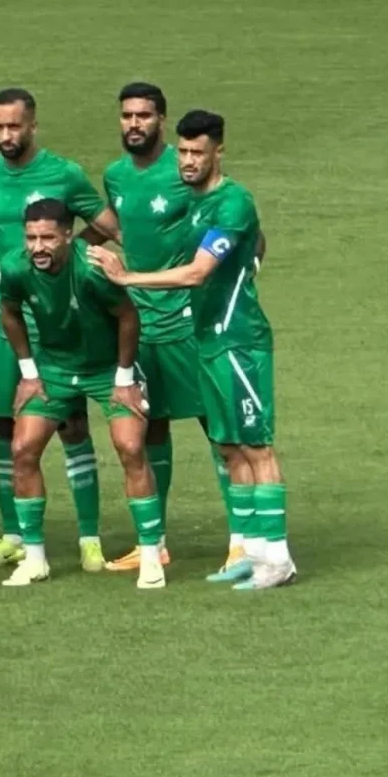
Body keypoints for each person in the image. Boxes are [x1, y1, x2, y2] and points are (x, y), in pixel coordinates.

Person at [91, 110, 297, 590]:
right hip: (207, 339)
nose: (187, 161)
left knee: (256, 446)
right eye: (182, 152)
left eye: (197, 153)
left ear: (218, 152)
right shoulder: (197, 203)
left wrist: (127, 278)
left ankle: (279, 560)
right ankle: (252, 553)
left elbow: (198, 273)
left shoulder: (233, 201)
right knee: (228, 447)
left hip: (238, 341)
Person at [89, 82, 235, 578]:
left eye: (144, 115)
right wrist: (72, 245)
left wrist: (243, 271)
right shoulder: (115, 175)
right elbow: (120, 223)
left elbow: (237, 228)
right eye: (127, 115)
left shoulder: (187, 168)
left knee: (218, 427)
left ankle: (241, 542)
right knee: (150, 429)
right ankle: (156, 542)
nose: (134, 124)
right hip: (140, 324)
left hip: (189, 322)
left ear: (162, 120)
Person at [0, 88, 110, 573]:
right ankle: (14, 536)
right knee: (5, 424)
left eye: (15, 126)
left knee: (72, 424)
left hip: (58, 325)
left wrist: (68, 254)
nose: (6, 135)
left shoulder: (63, 173)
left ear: (33, 125)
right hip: (3, 320)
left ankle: (90, 538)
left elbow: (108, 223)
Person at [0, 199, 164, 588]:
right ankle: (35, 560)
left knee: (131, 448)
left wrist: (124, 378)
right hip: (55, 369)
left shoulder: (93, 269)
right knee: (22, 449)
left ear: (68, 236)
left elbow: (128, 317)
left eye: (47, 238)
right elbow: (9, 312)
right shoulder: (13, 268)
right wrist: (29, 373)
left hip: (107, 369)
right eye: (31, 238)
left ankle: (151, 556)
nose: (38, 247)